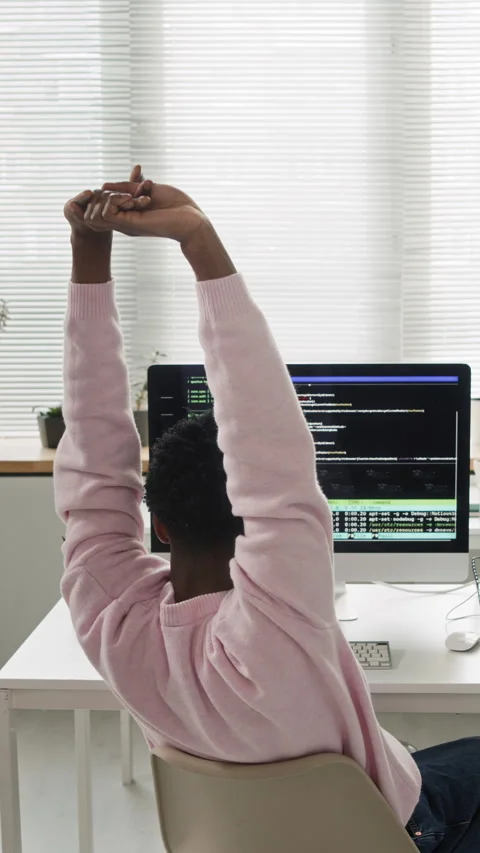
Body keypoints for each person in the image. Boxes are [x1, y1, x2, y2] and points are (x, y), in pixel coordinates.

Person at [55, 167, 480, 852]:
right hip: (396, 834)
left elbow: (93, 455)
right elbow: (268, 445)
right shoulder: (279, 620)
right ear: (258, 524)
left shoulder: (109, 617)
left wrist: (89, 250)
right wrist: (197, 238)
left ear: (158, 521)